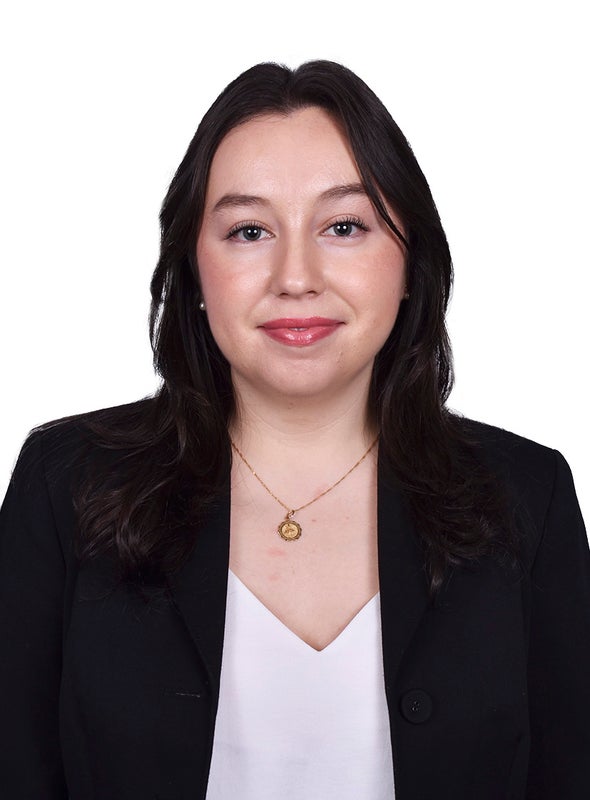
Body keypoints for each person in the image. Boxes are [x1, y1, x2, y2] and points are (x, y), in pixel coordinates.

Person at [1, 60, 589, 800]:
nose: (296, 276)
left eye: (344, 226)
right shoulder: (65, 485)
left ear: (411, 262)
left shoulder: (527, 496)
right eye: (249, 231)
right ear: (194, 271)